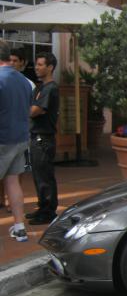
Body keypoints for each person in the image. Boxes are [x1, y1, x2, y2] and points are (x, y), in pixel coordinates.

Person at [0, 40, 32, 241]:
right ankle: (19, 228)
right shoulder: (24, 81)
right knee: (13, 181)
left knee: (12, 181)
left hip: (2, 138)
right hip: (20, 138)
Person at [27, 52, 60, 225]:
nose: (37, 67)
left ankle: (48, 212)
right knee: (38, 175)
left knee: (44, 176)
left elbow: (34, 111)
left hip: (43, 139)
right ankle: (42, 207)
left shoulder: (50, 88)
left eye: (40, 64)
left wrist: (30, 108)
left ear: (50, 67)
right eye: (36, 64)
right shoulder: (40, 88)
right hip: (37, 137)